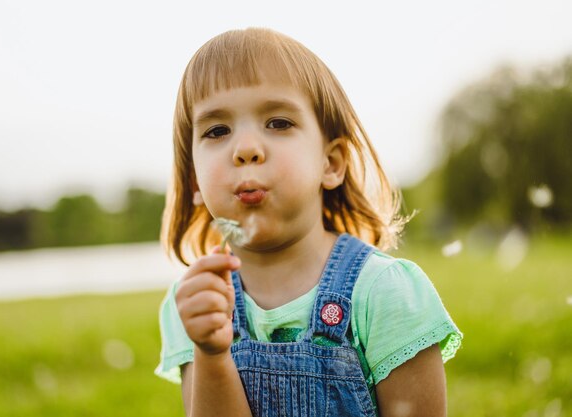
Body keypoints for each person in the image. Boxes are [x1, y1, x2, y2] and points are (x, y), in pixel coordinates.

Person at [155, 27, 462, 417]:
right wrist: (211, 354)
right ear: (194, 179)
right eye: (217, 130)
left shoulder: (382, 293)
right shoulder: (196, 303)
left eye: (278, 123)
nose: (246, 149)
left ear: (330, 163)